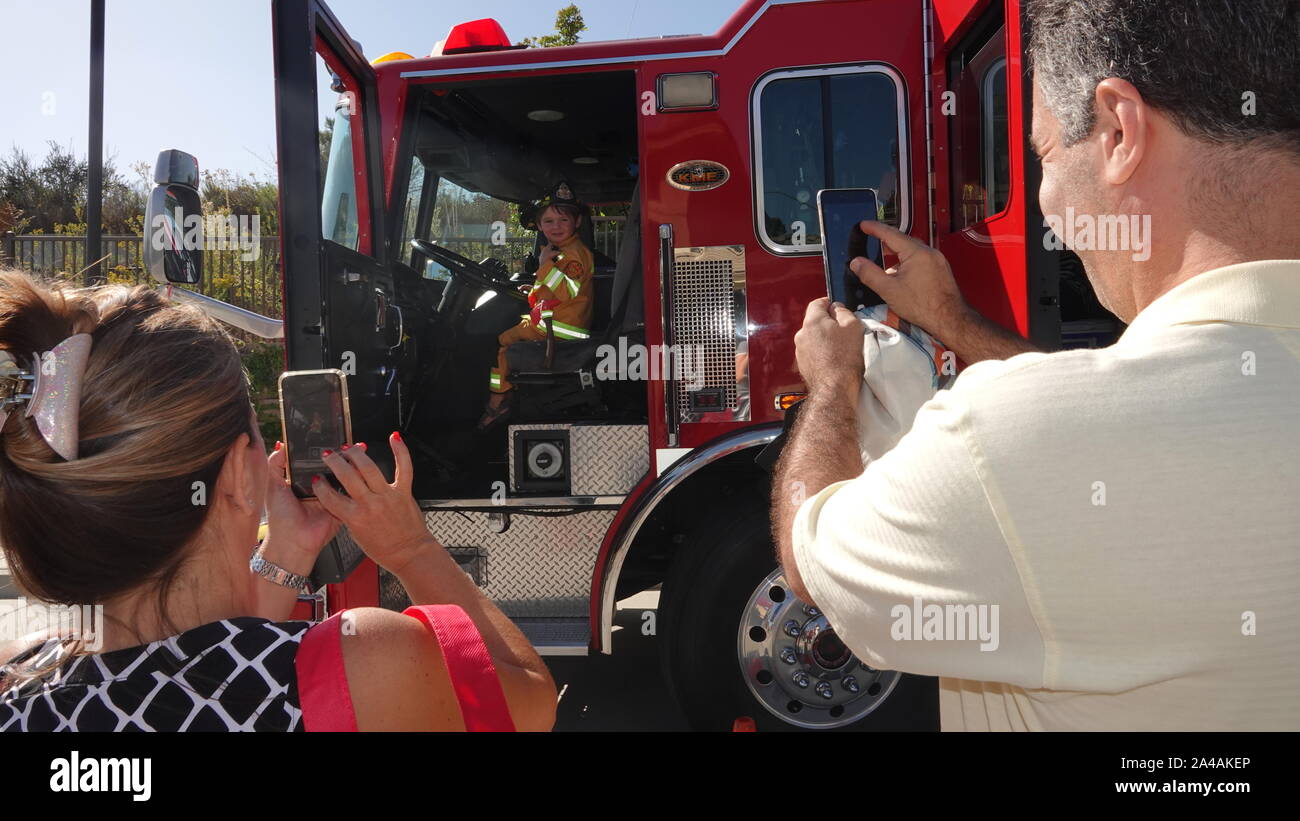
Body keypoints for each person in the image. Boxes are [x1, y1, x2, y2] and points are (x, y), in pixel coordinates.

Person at [773, 0, 1300, 730]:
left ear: (1119, 130)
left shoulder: (1002, 438)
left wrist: (832, 386)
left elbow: (814, 561)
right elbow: (1105, 401)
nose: (1048, 207)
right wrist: (955, 323)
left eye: (1044, 155)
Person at [0, 271, 556, 731]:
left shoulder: (20, 675)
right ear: (242, 473)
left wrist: (289, 549)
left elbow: (206, 652)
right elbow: (529, 703)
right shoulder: (369, 664)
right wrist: (411, 548)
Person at [478, 182, 595, 430]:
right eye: (549, 221)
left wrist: (544, 266)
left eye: (563, 220)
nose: (556, 227)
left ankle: (498, 401)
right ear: (539, 225)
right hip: (557, 321)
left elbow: (566, 291)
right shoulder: (561, 250)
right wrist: (532, 289)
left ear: (577, 222)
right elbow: (552, 287)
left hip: (561, 328)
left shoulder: (573, 253)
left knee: (500, 341)